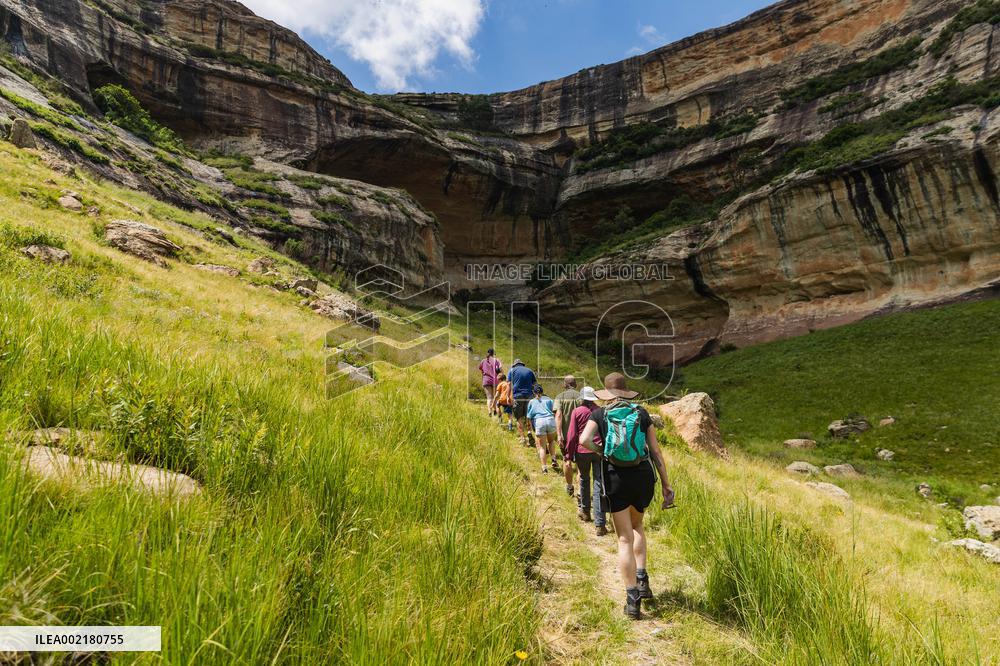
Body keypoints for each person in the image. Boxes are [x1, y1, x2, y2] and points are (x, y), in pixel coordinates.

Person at [576, 372, 675, 620]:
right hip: (642, 476)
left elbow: (584, 439)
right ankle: (643, 580)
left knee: (623, 538)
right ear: (625, 392)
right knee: (638, 526)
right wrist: (666, 484)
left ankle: (632, 602)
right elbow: (655, 451)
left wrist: (602, 451)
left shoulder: (599, 414)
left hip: (615, 477)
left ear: (607, 393)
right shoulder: (641, 413)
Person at [566, 386, 607, 534]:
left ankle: (585, 512)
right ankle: (600, 523)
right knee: (598, 484)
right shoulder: (601, 411)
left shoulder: (577, 411)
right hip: (598, 450)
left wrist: (568, 455)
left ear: (582, 398)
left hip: (582, 450)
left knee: (584, 479)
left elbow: (572, 435)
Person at [554, 375, 582, 497]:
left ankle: (570, 487)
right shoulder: (581, 397)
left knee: (567, 460)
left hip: (566, 436)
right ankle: (580, 490)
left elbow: (558, 415)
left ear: (564, 384)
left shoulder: (560, 397)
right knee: (580, 464)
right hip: (581, 437)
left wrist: (559, 434)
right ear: (575, 384)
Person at [526, 384, 560, 474]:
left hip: (539, 421)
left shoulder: (532, 401)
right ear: (542, 391)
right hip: (550, 420)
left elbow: (528, 416)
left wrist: (529, 427)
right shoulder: (548, 399)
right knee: (551, 442)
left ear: (534, 392)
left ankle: (544, 468)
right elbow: (555, 411)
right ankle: (554, 459)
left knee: (542, 447)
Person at [507, 359, 537, 447]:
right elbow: (535, 385)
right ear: (522, 364)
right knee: (528, 416)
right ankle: (529, 432)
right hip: (529, 396)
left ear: (514, 365)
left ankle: (523, 438)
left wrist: (508, 396)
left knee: (519, 417)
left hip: (518, 396)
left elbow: (509, 384)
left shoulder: (512, 370)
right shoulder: (530, 371)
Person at [478, 349, 502, 416]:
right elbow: (500, 370)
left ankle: (489, 412)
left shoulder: (483, 361)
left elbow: (481, 370)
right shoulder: (496, 361)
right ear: (494, 354)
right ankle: (495, 410)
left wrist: (483, 378)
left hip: (486, 380)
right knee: (495, 397)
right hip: (495, 381)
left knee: (489, 397)